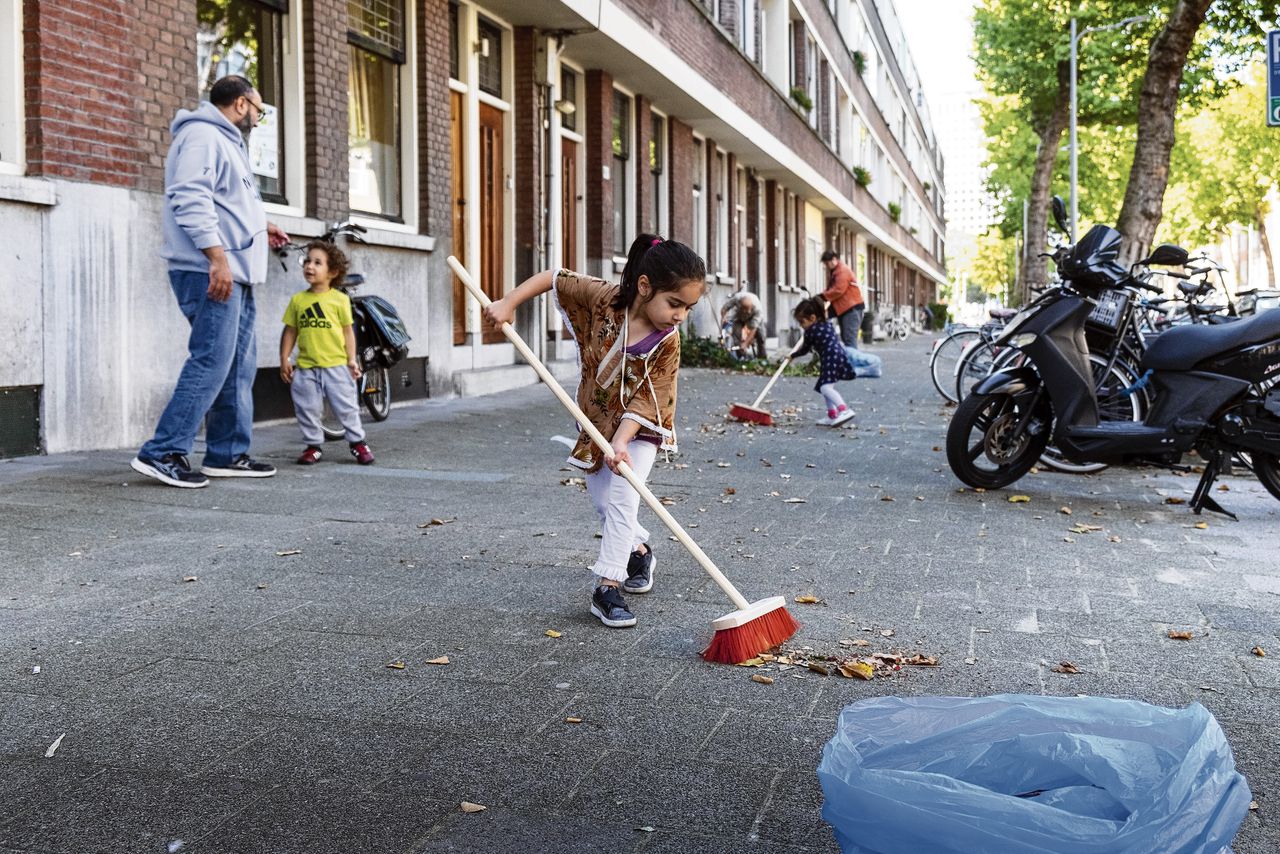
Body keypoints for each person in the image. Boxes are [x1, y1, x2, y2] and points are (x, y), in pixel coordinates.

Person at [483, 234, 705, 629]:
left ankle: (608, 588)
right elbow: (555, 277)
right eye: (675, 304)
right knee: (604, 503)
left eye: (688, 308)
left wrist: (621, 440)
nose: (680, 316)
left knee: (623, 498)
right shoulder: (604, 298)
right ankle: (637, 551)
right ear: (644, 286)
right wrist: (508, 303)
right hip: (593, 420)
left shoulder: (667, 342)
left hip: (640, 428)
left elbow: (650, 401)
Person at [131, 75, 289, 488]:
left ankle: (226, 453)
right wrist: (216, 257)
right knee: (212, 360)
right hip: (211, 271)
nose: (258, 119)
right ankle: (163, 451)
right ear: (240, 104)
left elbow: (224, 200)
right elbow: (189, 197)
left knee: (238, 364)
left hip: (236, 272)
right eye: (258, 110)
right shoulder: (203, 136)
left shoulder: (228, 142)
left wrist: (261, 224)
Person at [280, 241, 375, 466]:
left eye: (317, 263)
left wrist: (352, 360)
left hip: (336, 366)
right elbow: (290, 331)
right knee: (306, 408)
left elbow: (348, 333)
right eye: (307, 261)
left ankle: (357, 442)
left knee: (347, 406)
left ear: (332, 272)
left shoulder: (340, 300)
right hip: (306, 367)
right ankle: (313, 446)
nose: (309, 266)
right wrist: (284, 358)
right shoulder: (298, 301)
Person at [793, 297, 857, 427]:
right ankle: (832, 415)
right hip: (837, 356)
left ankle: (844, 410)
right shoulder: (826, 324)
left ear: (812, 318)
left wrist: (792, 355)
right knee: (825, 386)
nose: (801, 325)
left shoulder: (811, 331)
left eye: (802, 322)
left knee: (825, 387)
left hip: (830, 358)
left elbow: (805, 349)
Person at [821, 250, 865, 349]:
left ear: (833, 260)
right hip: (845, 309)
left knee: (849, 339)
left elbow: (838, 290)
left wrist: (822, 296)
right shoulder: (836, 272)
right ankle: (850, 361)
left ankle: (853, 362)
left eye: (827, 263)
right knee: (846, 338)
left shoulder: (842, 271)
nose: (827, 266)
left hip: (851, 309)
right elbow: (831, 289)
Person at [719, 290, 763, 359]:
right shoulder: (736, 299)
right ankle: (740, 357)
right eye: (744, 310)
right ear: (740, 306)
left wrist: (746, 343)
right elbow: (725, 308)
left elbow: (753, 328)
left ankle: (762, 358)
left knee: (761, 335)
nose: (746, 312)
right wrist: (723, 319)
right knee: (737, 334)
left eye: (748, 310)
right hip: (739, 316)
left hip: (754, 318)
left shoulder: (758, 309)